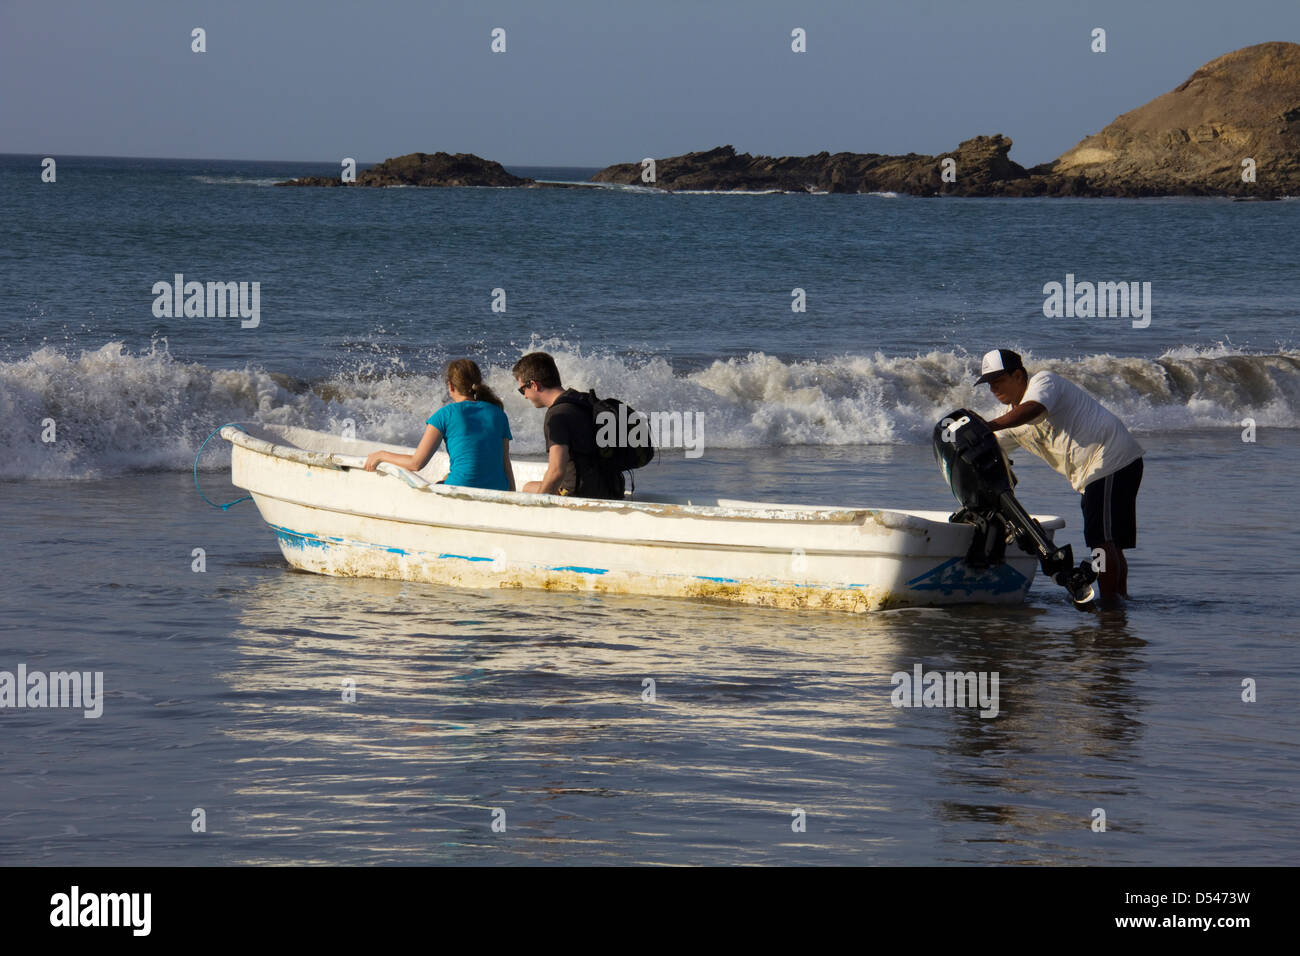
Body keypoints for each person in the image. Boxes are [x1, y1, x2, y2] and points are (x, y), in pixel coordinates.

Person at [975, 348, 1144, 600]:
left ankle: (1110, 608)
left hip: (1109, 459)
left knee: (1102, 543)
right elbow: (990, 448)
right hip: (1103, 471)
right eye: (989, 384)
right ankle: (1118, 601)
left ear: (1019, 375)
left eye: (998, 381)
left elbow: (1032, 409)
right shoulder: (1008, 420)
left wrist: (987, 426)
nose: (993, 389)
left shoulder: (1044, 382)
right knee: (1109, 543)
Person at [364, 358, 515, 491]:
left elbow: (416, 464)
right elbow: (505, 463)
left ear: (450, 386)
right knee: (446, 477)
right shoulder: (498, 413)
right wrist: (511, 497)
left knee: (443, 481)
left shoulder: (445, 414)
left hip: (462, 487)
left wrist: (381, 455)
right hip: (499, 488)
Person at [511, 351, 621, 499]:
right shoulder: (584, 401)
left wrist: (537, 506)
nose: (525, 395)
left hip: (580, 494)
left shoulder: (557, 415)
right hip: (612, 488)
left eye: (523, 389)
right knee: (530, 486)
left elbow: (556, 471)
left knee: (527, 489)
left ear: (534, 385)